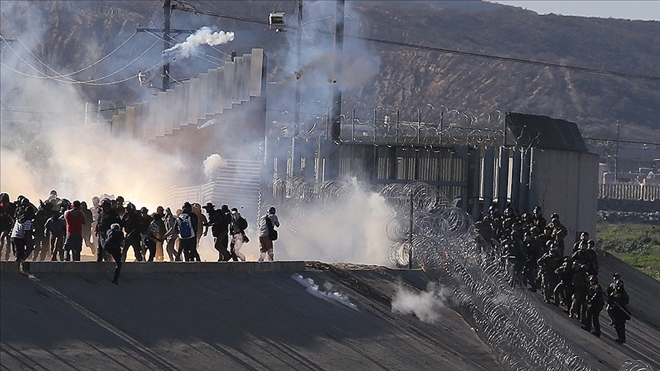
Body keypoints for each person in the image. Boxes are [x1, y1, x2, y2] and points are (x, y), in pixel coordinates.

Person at [607, 273, 631, 343]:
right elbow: (610, 300)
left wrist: (620, 303)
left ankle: (622, 338)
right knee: (617, 325)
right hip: (615, 311)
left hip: (621, 311)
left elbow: (626, 301)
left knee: (621, 326)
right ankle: (619, 337)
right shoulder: (614, 292)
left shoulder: (624, 294)